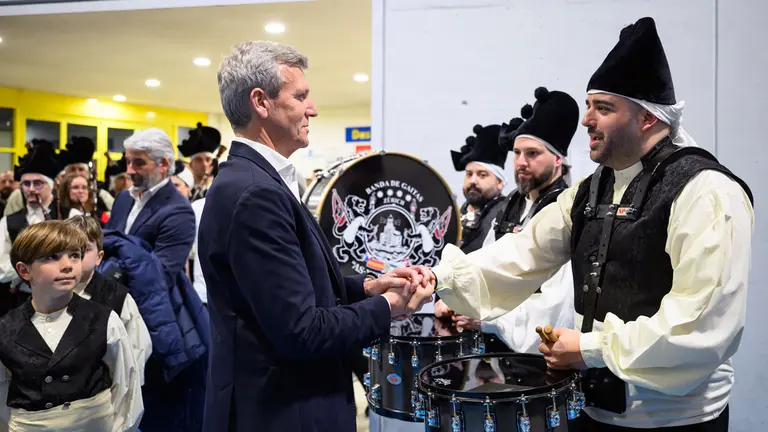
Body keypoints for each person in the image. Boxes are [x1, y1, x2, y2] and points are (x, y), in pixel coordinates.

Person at [429, 17, 753, 431]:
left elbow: (700, 323)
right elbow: (523, 252)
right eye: (588, 106)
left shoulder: (706, 193)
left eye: (603, 108)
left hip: (676, 420)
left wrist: (591, 347)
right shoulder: (590, 190)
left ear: (647, 119)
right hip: (591, 408)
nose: (586, 120)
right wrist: (435, 278)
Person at [199, 40, 434, 432]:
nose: (313, 108)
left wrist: (370, 287)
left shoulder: (252, 181)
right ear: (261, 102)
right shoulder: (255, 192)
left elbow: (291, 290)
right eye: (301, 96)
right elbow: (301, 331)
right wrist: (391, 305)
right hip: (283, 411)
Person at [437, 87, 578, 355]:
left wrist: (490, 321)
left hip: (538, 358)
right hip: (497, 351)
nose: (521, 162)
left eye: (533, 154)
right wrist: (455, 295)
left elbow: (555, 304)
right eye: (517, 153)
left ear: (558, 159)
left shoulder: (564, 209)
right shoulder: (513, 204)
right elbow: (490, 264)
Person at [105, 128, 204, 432]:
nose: (130, 170)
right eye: (129, 162)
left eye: (139, 163)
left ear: (163, 164)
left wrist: (111, 263)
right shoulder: (123, 199)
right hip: (116, 313)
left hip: (157, 321)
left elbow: (160, 274)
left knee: (157, 408)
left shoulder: (178, 211)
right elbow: (102, 248)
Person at [0, 220, 143, 431]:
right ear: (24, 270)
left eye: (75, 255)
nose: (67, 265)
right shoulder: (6, 330)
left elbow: (126, 387)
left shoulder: (104, 320)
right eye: (52, 256)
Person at [65, 215, 153, 384]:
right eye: (69, 250)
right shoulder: (51, 293)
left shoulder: (117, 297)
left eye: (85, 250)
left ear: (99, 256)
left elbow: (138, 349)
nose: (76, 256)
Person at [0, 141, 71, 317]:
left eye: (38, 183)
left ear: (51, 185)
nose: (31, 189)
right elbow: (2, 268)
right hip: (22, 300)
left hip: (66, 299)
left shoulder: (71, 215)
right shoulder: (8, 222)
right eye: (26, 183)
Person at [3, 137, 114, 217]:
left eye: (81, 169)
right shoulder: (23, 195)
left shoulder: (101, 195)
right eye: (72, 169)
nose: (76, 173)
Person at [451, 124, 508, 253]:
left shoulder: (507, 214)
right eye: (469, 174)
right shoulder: (455, 214)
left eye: (482, 175)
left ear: (499, 182)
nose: (473, 181)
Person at [178, 123, 221, 202]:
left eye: (208, 159)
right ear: (190, 164)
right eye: (198, 160)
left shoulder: (220, 188)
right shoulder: (182, 189)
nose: (204, 164)